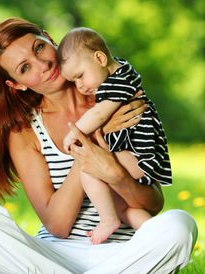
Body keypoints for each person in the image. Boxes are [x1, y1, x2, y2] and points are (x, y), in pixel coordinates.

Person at [0, 17, 197, 274]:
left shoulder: (114, 96)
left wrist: (115, 172)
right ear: (16, 85)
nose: (42, 65)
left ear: (50, 38)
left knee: (181, 225)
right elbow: (57, 224)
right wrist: (92, 138)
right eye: (25, 68)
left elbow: (153, 203)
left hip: (124, 255)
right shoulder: (25, 131)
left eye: (39, 48)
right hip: (55, 255)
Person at [57, 27, 172, 244]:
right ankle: (156, 236)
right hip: (135, 155)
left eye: (80, 76)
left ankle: (107, 220)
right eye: (73, 82)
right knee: (121, 206)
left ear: (100, 58)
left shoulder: (119, 82)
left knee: (88, 170)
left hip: (138, 155)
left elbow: (99, 114)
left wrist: (74, 133)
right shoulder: (121, 72)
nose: (79, 85)